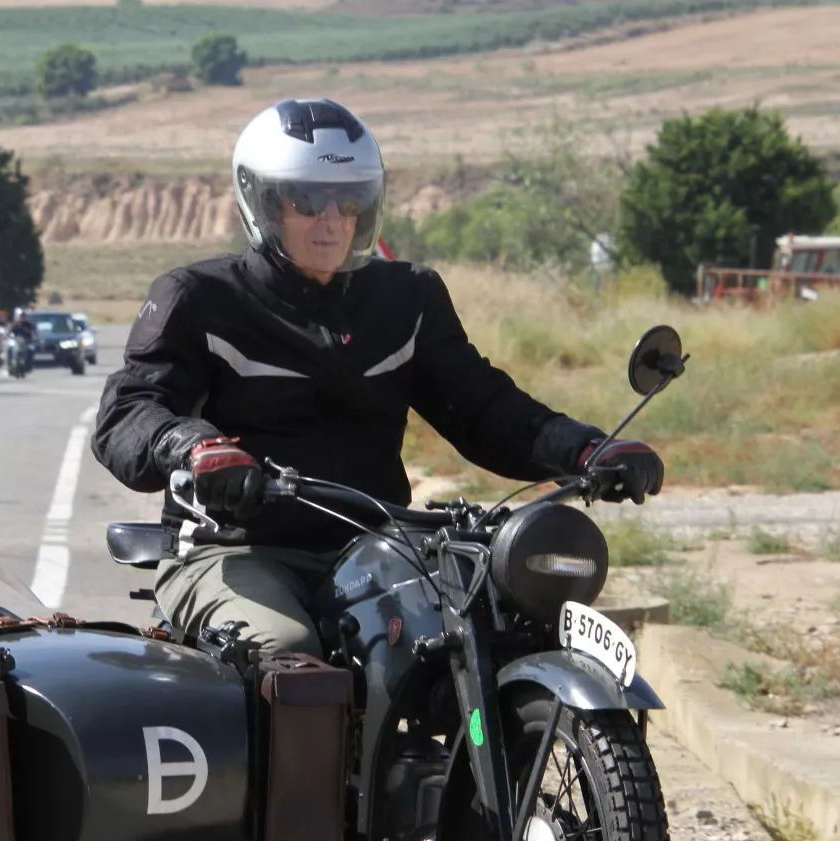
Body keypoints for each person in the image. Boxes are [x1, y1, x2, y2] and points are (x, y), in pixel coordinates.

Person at [91, 98, 664, 659]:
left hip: (377, 549)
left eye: (349, 202)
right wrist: (192, 446)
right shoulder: (199, 298)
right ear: (262, 202)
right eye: (307, 200)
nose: (332, 221)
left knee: (488, 630)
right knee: (288, 656)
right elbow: (128, 412)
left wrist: (587, 447)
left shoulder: (407, 297)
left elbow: (484, 406)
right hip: (232, 551)